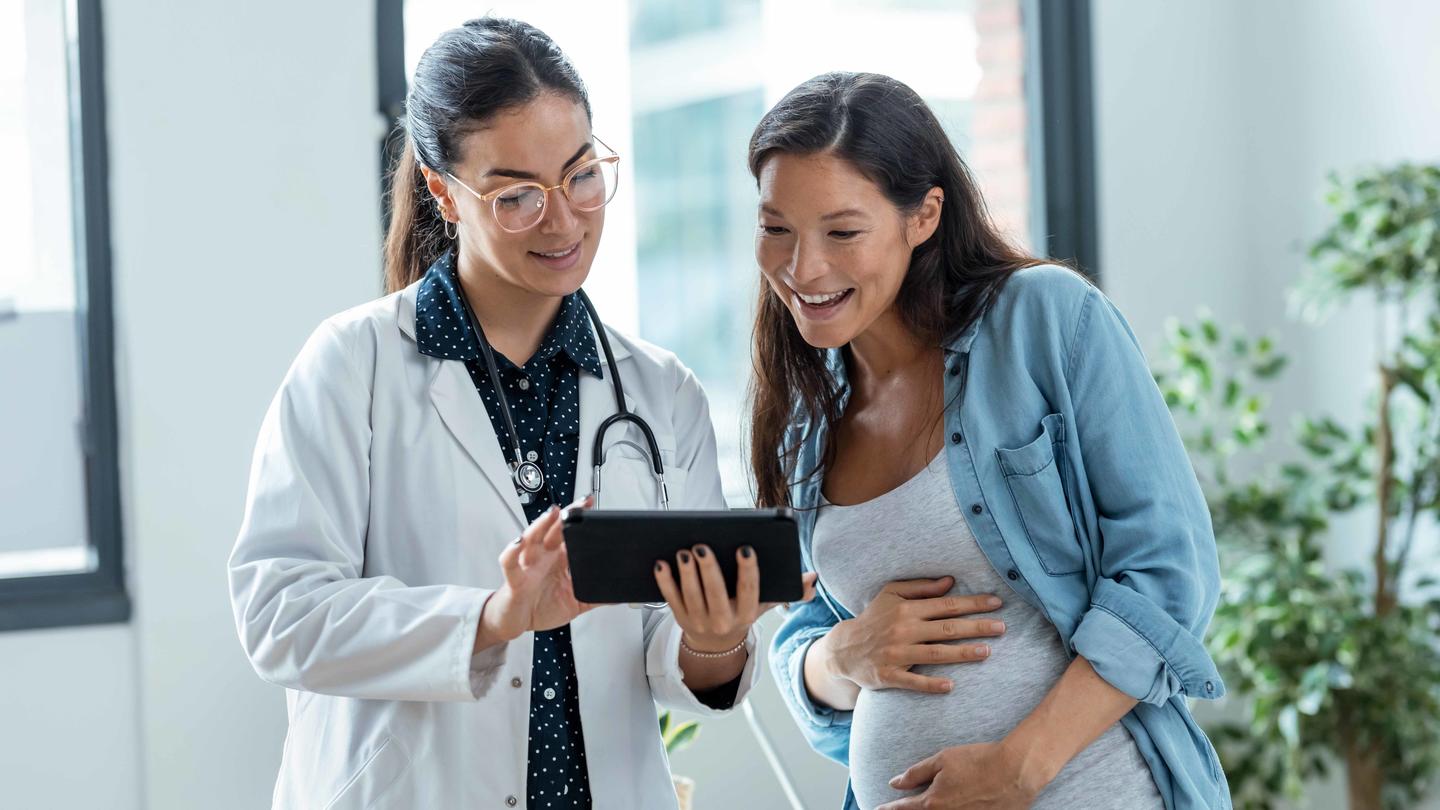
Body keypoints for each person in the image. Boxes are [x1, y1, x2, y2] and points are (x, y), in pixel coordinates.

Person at [228, 18, 807, 809]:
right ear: (444, 193)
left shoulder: (659, 391)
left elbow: (673, 663)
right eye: (517, 196)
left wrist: (715, 638)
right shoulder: (351, 366)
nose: (564, 220)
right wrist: (493, 617)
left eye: (580, 176)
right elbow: (279, 612)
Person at [752, 72, 1229, 810]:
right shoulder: (807, 420)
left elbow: (1169, 572)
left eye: (842, 231)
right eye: (775, 227)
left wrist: (1015, 770)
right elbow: (810, 636)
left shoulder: (1046, 320)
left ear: (923, 217)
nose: (801, 268)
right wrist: (837, 657)